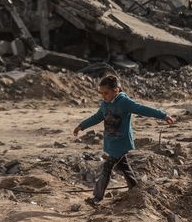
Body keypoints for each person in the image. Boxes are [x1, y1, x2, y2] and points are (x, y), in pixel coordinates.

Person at [73, 74, 175, 205]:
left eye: (106, 93)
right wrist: (81, 126)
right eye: (101, 93)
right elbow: (97, 117)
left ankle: (97, 198)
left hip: (121, 143)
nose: (103, 96)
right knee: (125, 168)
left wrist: (163, 115)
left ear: (116, 90)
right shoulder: (105, 104)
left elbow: (142, 109)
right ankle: (135, 190)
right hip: (111, 142)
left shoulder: (124, 102)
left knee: (107, 167)